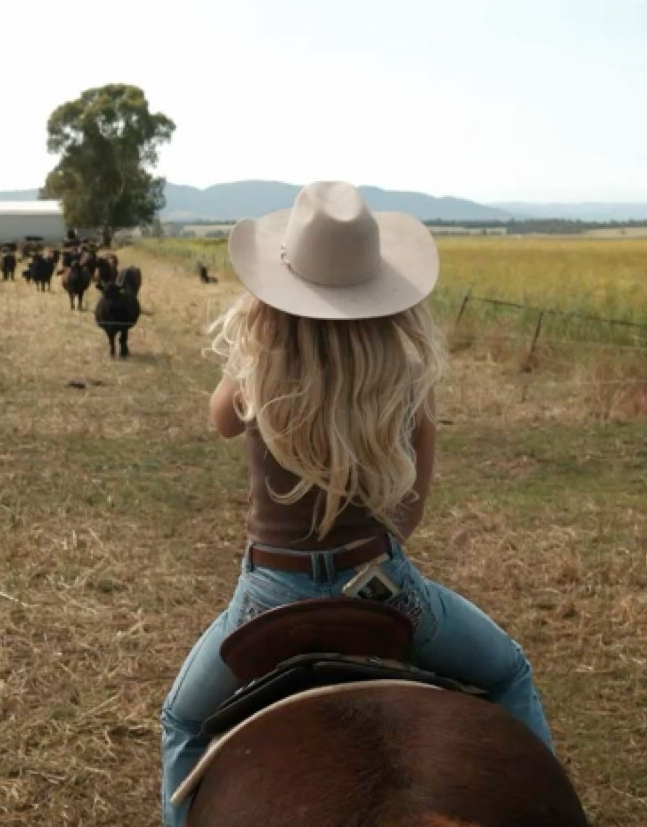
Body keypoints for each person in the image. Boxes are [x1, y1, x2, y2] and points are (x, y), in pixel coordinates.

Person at [160, 182, 554, 827]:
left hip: (269, 593)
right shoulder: (406, 375)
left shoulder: (260, 369)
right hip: (384, 585)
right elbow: (411, 510)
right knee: (508, 671)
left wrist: (257, 346)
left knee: (182, 718)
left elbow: (220, 421)